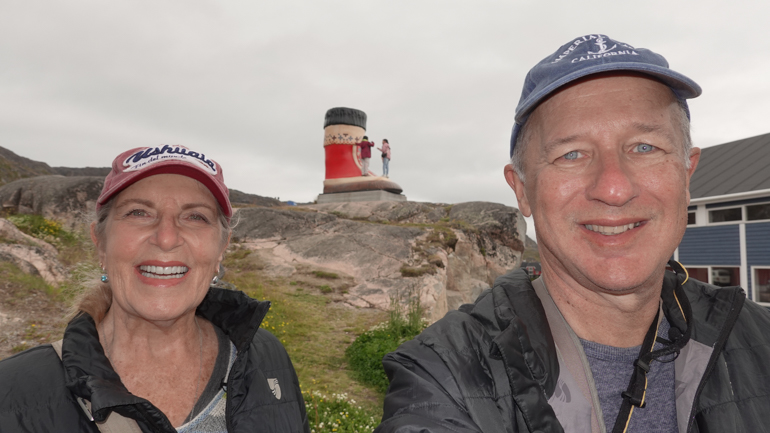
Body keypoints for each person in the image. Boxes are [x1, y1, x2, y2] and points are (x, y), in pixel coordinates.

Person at [376, 34, 770, 433]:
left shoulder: (762, 340)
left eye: (645, 147)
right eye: (572, 154)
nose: (614, 188)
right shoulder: (443, 378)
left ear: (686, 173)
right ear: (522, 191)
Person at [0, 145, 309, 432]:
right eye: (139, 212)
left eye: (195, 216)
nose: (166, 237)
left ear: (221, 249)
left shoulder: (265, 357)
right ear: (100, 243)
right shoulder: (13, 394)